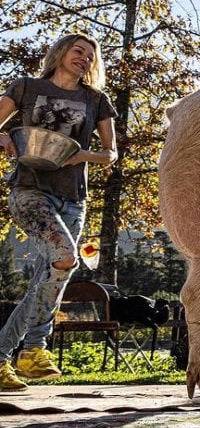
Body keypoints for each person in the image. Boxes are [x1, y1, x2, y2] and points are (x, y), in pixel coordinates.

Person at [0, 33, 117, 391]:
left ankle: (5, 357)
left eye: (91, 56)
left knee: (47, 277)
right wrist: (3, 138)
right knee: (65, 258)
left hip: (73, 198)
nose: (84, 58)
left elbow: (111, 153)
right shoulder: (25, 88)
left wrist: (86, 155)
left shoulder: (95, 100)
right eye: (78, 51)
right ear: (62, 53)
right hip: (30, 190)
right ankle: (34, 348)